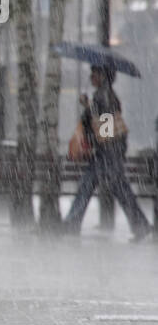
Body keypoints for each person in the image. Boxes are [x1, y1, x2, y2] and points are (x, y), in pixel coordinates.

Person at [64, 65, 152, 241]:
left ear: (103, 76)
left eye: (94, 73)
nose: (91, 77)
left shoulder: (104, 96)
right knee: (107, 188)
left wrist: (88, 108)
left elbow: (106, 130)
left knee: (97, 188)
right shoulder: (105, 96)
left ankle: (72, 223)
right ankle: (140, 225)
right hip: (109, 153)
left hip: (107, 154)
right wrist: (89, 106)